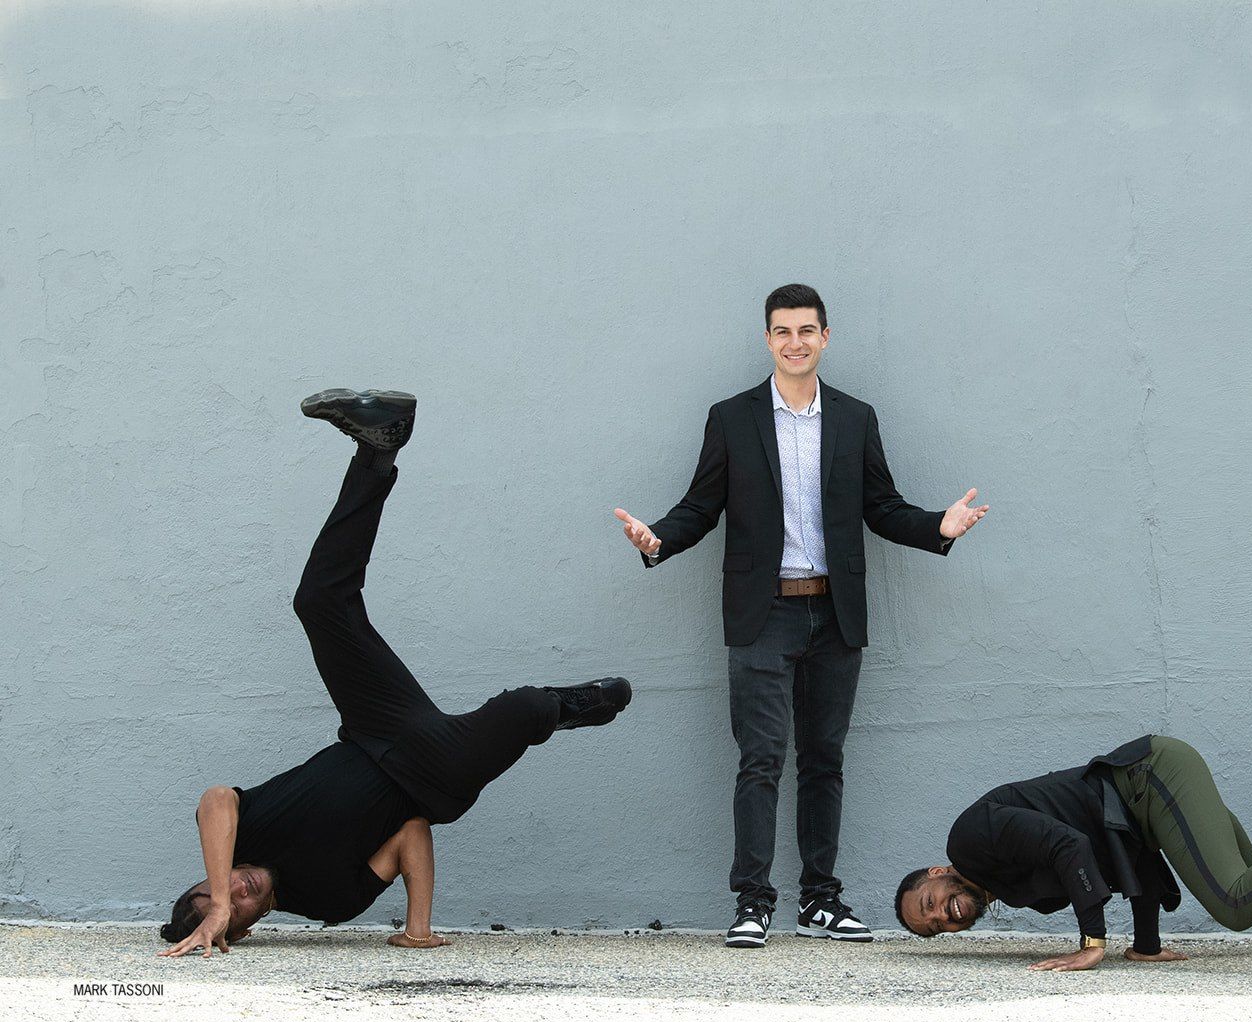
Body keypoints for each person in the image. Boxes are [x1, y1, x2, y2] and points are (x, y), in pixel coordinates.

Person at [158, 389, 633, 958]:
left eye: (218, 890)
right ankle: (565, 708)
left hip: (373, 727)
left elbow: (215, 799)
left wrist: (212, 905)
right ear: (250, 927)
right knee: (525, 708)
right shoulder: (328, 901)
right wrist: (417, 928)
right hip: (431, 775)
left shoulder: (243, 831)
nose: (236, 891)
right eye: (235, 911)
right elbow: (410, 835)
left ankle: (376, 448)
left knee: (319, 601)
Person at [614, 284, 989, 947]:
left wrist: (940, 525)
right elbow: (700, 506)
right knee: (761, 760)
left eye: (807, 330)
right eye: (782, 331)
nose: (795, 342)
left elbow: (882, 505)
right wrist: (660, 541)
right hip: (764, 615)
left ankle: (820, 901)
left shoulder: (854, 417)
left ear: (825, 337)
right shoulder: (732, 418)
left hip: (834, 614)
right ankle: (753, 901)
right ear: (767, 339)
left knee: (825, 760)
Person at [893, 734, 1252, 970]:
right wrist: (1143, 948)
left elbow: (1071, 847)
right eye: (935, 929)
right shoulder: (1005, 885)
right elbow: (1119, 859)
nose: (944, 917)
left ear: (940, 873)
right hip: (1146, 808)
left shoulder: (971, 840)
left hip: (1152, 778)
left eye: (932, 902)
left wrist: (1093, 943)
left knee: (1236, 904)